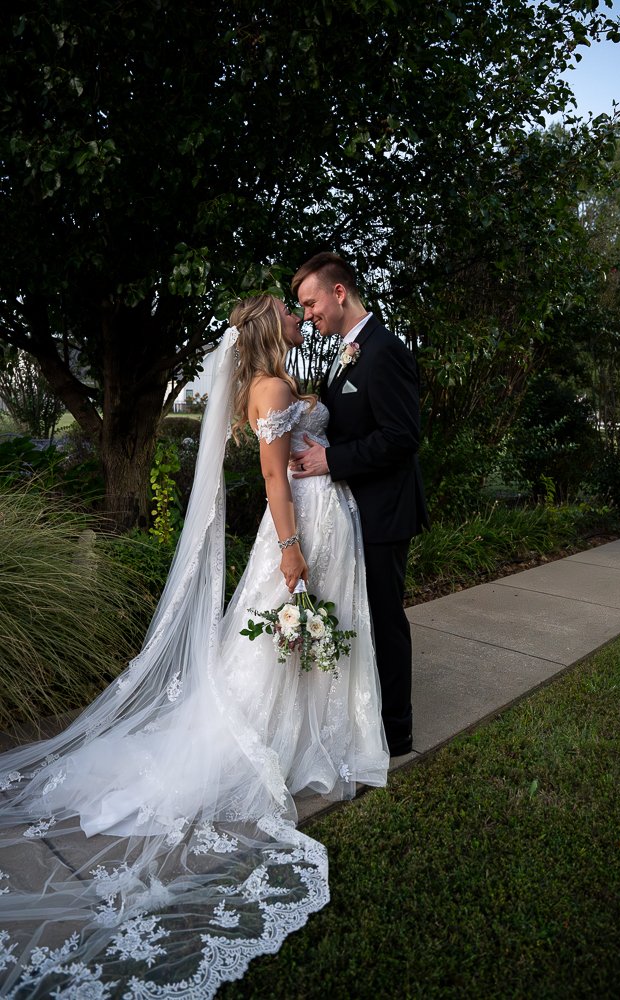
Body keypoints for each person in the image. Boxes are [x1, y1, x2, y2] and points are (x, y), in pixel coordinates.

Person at [0, 294, 388, 998]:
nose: (299, 318)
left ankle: (312, 727)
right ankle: (266, 738)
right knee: (277, 641)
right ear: (271, 328)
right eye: (291, 312)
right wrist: (292, 548)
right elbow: (273, 476)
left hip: (326, 519)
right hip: (299, 528)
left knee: (294, 640)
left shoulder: (281, 380)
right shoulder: (271, 389)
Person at [291, 253, 428, 757]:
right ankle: (363, 720)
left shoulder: (385, 350)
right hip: (351, 510)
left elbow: (402, 437)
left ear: (339, 292)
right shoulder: (345, 351)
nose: (307, 314)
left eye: (311, 303)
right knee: (361, 618)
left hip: (385, 511)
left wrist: (331, 460)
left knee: (385, 619)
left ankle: (397, 732)